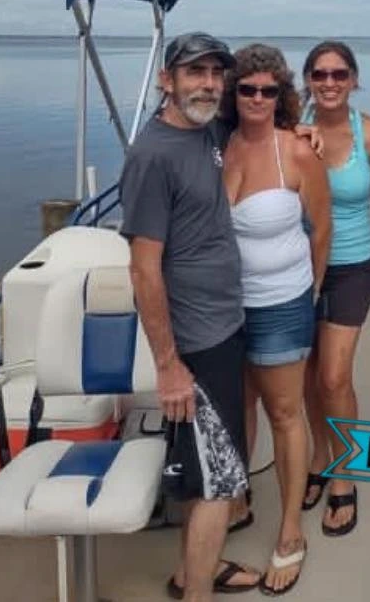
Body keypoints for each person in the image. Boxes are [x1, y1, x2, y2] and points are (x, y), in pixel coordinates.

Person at [119, 32, 262, 602]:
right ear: (166, 80)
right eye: (194, 72)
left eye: (214, 73)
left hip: (223, 328)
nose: (207, 83)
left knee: (207, 470)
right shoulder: (153, 155)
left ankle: (191, 570)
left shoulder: (205, 135)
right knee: (218, 483)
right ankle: (197, 593)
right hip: (195, 347)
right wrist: (170, 366)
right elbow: (144, 271)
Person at [220, 43, 331, 595]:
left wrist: (307, 292)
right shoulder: (217, 146)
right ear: (231, 93)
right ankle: (237, 496)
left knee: (285, 413)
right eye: (247, 89)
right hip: (222, 309)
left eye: (268, 89)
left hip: (282, 304)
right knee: (236, 407)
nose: (258, 98)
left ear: (281, 94)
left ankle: (290, 532)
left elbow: (322, 228)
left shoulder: (298, 151)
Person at [299, 41, 370, 536]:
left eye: (339, 74)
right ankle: (319, 455)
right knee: (309, 375)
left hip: (353, 265)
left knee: (334, 377)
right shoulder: (290, 132)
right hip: (297, 270)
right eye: (319, 74)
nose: (329, 83)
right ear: (308, 80)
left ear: (354, 79)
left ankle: (344, 476)